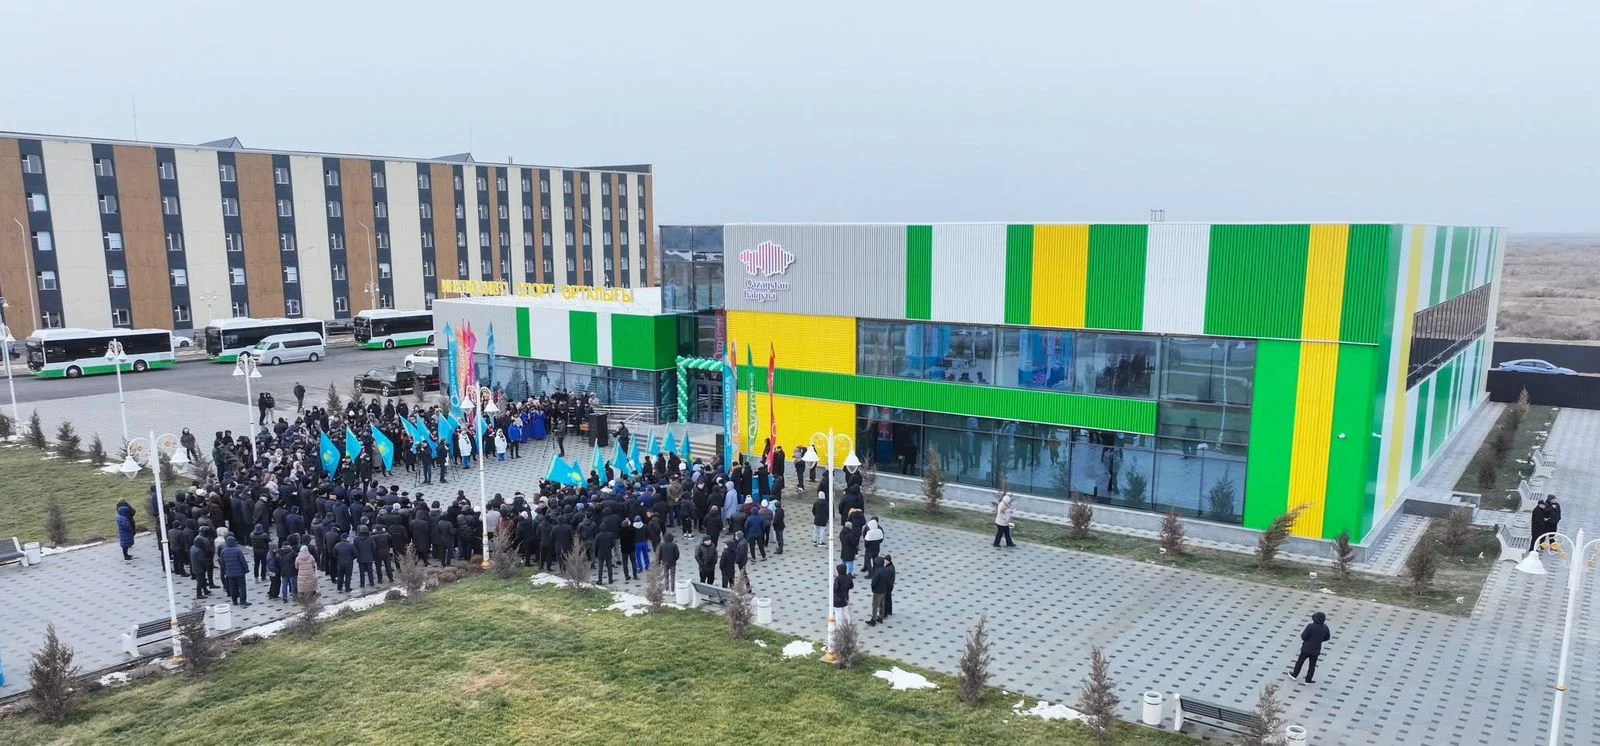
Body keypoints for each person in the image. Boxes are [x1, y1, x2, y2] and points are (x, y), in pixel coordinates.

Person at [1291, 611, 1331, 683]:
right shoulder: (1325, 628)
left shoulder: (1310, 626)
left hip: (1306, 648)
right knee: (1312, 665)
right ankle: (1308, 679)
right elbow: (1327, 637)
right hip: (1316, 650)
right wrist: (1319, 640)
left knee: (1300, 662)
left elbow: (1303, 636)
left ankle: (1294, 675)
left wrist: (1308, 640)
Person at [220, 534, 251, 607]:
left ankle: (234, 601)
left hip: (230, 573)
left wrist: (225, 570)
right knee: (242, 587)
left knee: (232, 587)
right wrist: (246, 569)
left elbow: (222, 562)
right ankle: (243, 601)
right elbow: (243, 561)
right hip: (240, 573)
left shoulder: (223, 551)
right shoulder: (238, 550)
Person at [867, 554, 895, 626]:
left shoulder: (877, 572)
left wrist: (873, 588)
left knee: (875, 605)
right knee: (882, 604)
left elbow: (874, 582)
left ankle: (873, 620)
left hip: (877, 591)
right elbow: (888, 580)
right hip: (884, 590)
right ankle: (880, 617)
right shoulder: (886, 570)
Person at [831, 562, 853, 627]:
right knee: (846, 611)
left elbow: (835, 589)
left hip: (838, 598)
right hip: (846, 596)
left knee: (838, 612)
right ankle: (848, 623)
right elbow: (851, 586)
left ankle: (839, 625)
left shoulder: (837, 579)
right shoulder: (848, 577)